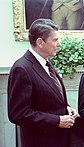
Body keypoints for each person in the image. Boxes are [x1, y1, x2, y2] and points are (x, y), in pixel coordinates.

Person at [7, 18, 79, 147]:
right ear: (40, 42)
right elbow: (18, 114)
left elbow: (48, 98)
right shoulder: (22, 68)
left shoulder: (46, 62)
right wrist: (57, 121)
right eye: (55, 40)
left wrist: (66, 109)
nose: (59, 44)